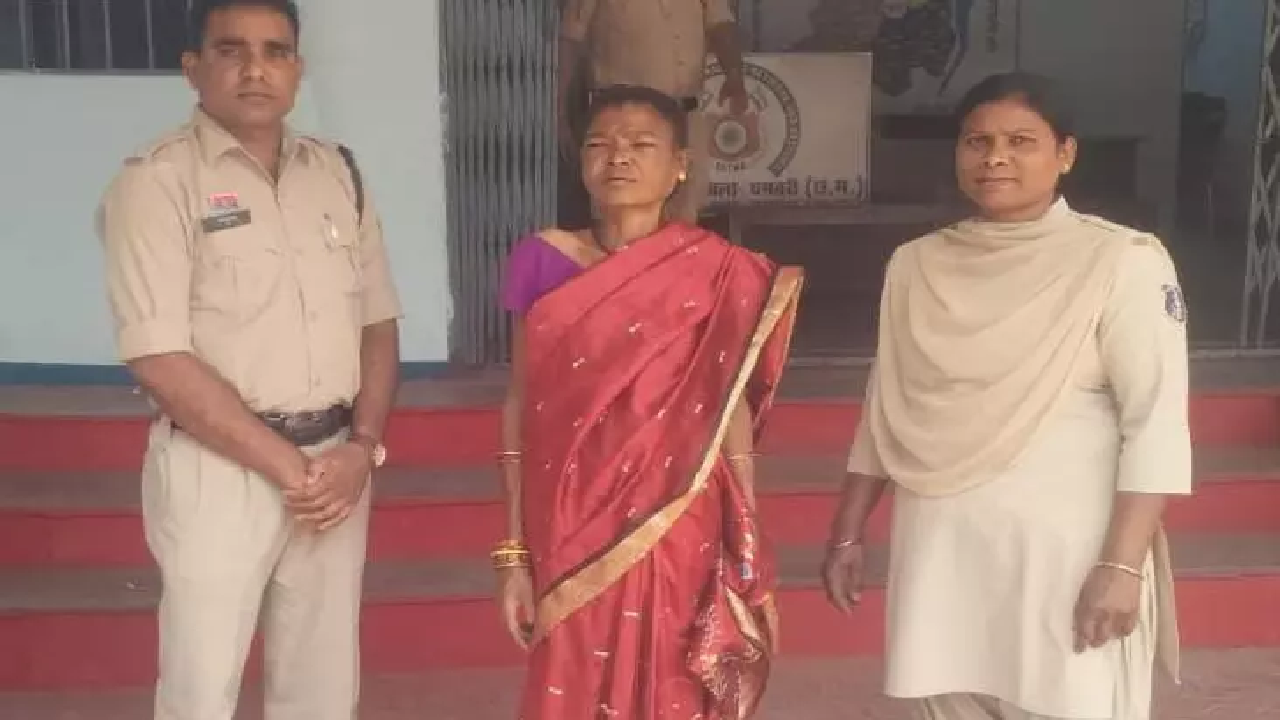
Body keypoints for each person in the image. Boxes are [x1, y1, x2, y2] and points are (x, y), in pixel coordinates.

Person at [822, 73, 1191, 720]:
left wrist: (1124, 565)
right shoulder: (915, 264)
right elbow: (885, 404)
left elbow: (1154, 421)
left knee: (1071, 699)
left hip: (1064, 554)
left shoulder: (1122, 260)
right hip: (940, 547)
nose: (995, 157)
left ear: (1065, 154)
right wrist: (847, 533)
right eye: (977, 142)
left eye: (1021, 141)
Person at [95, 2, 402, 719]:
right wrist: (287, 466)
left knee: (321, 691)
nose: (256, 69)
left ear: (298, 68)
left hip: (335, 470)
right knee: (201, 689)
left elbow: (377, 324)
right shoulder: (157, 181)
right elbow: (158, 357)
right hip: (218, 472)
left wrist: (361, 448)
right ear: (193, 68)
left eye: (275, 51)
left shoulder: (338, 173)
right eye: (231, 51)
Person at [495, 84, 802, 719]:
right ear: (580, 160)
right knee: (571, 675)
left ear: (680, 164)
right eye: (599, 144)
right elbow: (521, 401)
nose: (619, 157)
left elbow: (727, 414)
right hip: (569, 518)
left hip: (681, 512)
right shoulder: (543, 259)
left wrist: (749, 548)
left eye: (641, 144)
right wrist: (514, 555)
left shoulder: (719, 271)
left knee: (672, 672)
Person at [556, 0, 750, 225]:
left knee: (684, 214)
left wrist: (734, 74)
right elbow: (571, 39)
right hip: (624, 120)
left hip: (685, 114)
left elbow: (721, 23)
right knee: (622, 215)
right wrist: (559, 109)